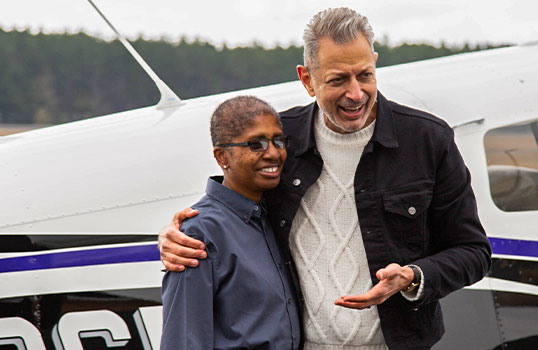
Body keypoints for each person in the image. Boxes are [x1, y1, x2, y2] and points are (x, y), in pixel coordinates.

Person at [159, 8, 491, 350]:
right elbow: (235, 201)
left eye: (365, 75)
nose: (355, 93)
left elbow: (474, 252)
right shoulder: (281, 141)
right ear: (307, 80)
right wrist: (182, 233)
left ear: (375, 63)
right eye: (337, 80)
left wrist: (412, 277)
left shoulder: (428, 139)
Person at [160, 96, 300, 350]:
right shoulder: (198, 233)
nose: (273, 153)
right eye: (255, 144)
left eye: (278, 141)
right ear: (222, 156)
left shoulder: (277, 215)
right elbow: (184, 340)